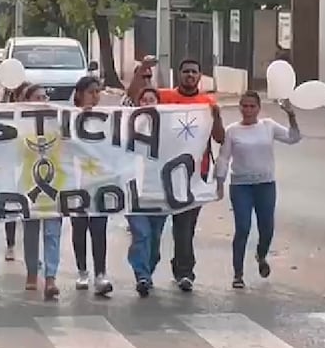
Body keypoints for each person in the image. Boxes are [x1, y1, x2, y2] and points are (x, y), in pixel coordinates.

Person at [215, 91, 300, 289]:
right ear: (240, 107)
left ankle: (261, 256)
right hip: (241, 186)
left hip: (265, 185)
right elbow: (224, 158)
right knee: (243, 228)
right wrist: (219, 183)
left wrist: (291, 115)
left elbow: (293, 137)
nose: (248, 110)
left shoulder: (268, 126)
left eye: (252, 106)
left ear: (258, 108)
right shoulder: (232, 131)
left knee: (267, 228)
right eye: (244, 106)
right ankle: (238, 273)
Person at [157, 58, 225, 292]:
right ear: (179, 74)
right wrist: (143, 72)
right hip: (162, 173)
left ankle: (184, 271)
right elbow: (135, 101)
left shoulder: (207, 103)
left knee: (185, 226)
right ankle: (144, 271)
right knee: (154, 227)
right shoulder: (165, 98)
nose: (189, 75)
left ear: (200, 76)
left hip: (196, 174)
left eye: (193, 72)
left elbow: (219, 138)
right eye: (185, 71)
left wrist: (216, 116)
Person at [20, 84, 64, 300]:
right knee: (31, 232)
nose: (42, 100)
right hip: (28, 185)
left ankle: (50, 278)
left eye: (44, 96)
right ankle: (31, 272)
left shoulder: (57, 121)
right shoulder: (19, 123)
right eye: (37, 97)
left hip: (55, 184)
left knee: (52, 232)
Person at [70, 75, 113, 295]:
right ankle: (82, 271)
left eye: (98, 92)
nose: (95, 96)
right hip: (77, 182)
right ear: (79, 94)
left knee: (99, 228)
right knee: (79, 228)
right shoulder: (68, 117)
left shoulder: (106, 118)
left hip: (99, 182)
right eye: (91, 92)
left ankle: (101, 273)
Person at [125, 87, 168, 297]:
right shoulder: (127, 124)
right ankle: (141, 275)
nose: (148, 103)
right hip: (134, 191)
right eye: (144, 100)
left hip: (160, 192)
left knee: (155, 238)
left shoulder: (168, 128)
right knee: (141, 234)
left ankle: (147, 271)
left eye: (152, 99)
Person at [3, 81, 31, 261]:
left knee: (30, 207)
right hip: (12, 164)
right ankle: (10, 245)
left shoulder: (39, 114)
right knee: (12, 206)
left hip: (29, 165)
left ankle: (32, 250)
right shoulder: (7, 113)